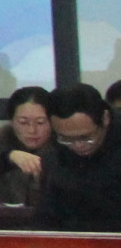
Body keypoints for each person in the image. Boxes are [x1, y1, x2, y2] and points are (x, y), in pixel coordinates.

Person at [36, 82, 121, 230]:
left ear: (105, 118)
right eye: (66, 138)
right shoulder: (54, 153)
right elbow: (47, 215)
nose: (78, 146)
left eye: (86, 137)